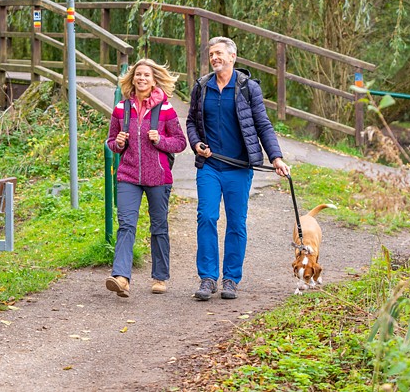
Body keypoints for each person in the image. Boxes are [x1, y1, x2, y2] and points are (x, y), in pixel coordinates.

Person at [186, 37, 290, 301]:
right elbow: (191, 122)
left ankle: (231, 279)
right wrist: (196, 143)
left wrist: (275, 157)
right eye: (211, 54)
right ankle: (208, 278)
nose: (215, 58)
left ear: (233, 57)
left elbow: (263, 125)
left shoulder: (248, 88)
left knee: (236, 223)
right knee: (206, 217)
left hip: (239, 167)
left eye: (219, 53)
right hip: (209, 166)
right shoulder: (201, 87)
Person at [105, 58, 187, 297]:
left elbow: (180, 142)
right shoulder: (122, 108)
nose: (141, 78)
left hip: (158, 177)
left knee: (159, 227)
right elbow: (111, 141)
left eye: (146, 76)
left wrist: (160, 140)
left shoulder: (166, 109)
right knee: (126, 225)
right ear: (132, 79)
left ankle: (160, 277)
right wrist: (118, 143)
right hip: (128, 175)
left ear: (154, 81)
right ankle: (121, 277)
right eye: (138, 75)